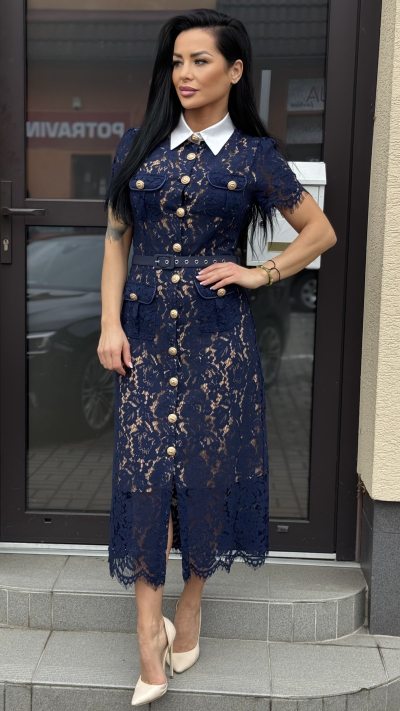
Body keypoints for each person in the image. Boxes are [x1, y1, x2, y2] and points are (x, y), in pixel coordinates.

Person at [97, 8, 337, 707]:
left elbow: (319, 231)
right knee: (146, 474)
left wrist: (260, 273)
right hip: (143, 335)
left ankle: (192, 604)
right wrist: (109, 323)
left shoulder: (255, 157)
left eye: (200, 60)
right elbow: (115, 240)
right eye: (176, 61)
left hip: (217, 340)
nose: (184, 74)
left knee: (206, 472)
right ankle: (149, 635)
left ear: (234, 70)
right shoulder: (137, 146)